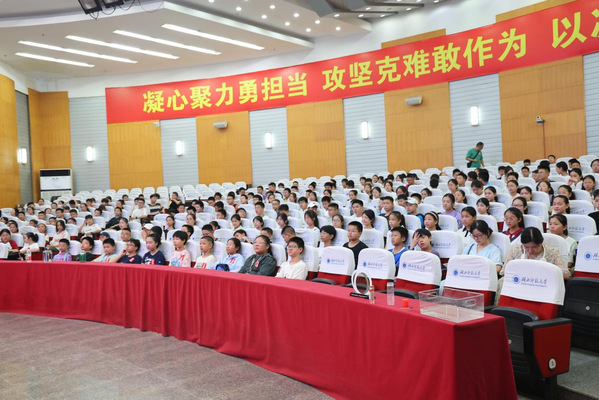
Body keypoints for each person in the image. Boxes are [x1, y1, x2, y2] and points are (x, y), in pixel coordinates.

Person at [501, 227, 570, 280]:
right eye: (526, 247)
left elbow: (566, 275)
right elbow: (504, 272)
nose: (530, 251)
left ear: (541, 243)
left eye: (534, 247)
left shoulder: (553, 253)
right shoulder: (515, 250)